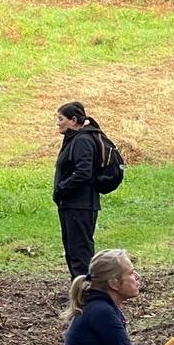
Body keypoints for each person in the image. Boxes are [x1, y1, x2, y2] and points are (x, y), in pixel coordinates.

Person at [54, 101, 103, 279]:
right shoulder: (75, 139)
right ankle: (80, 290)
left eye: (61, 119)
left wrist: (61, 189)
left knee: (80, 253)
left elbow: (83, 173)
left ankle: (88, 291)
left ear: (73, 120)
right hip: (72, 204)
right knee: (73, 251)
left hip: (80, 205)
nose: (57, 123)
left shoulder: (82, 140)